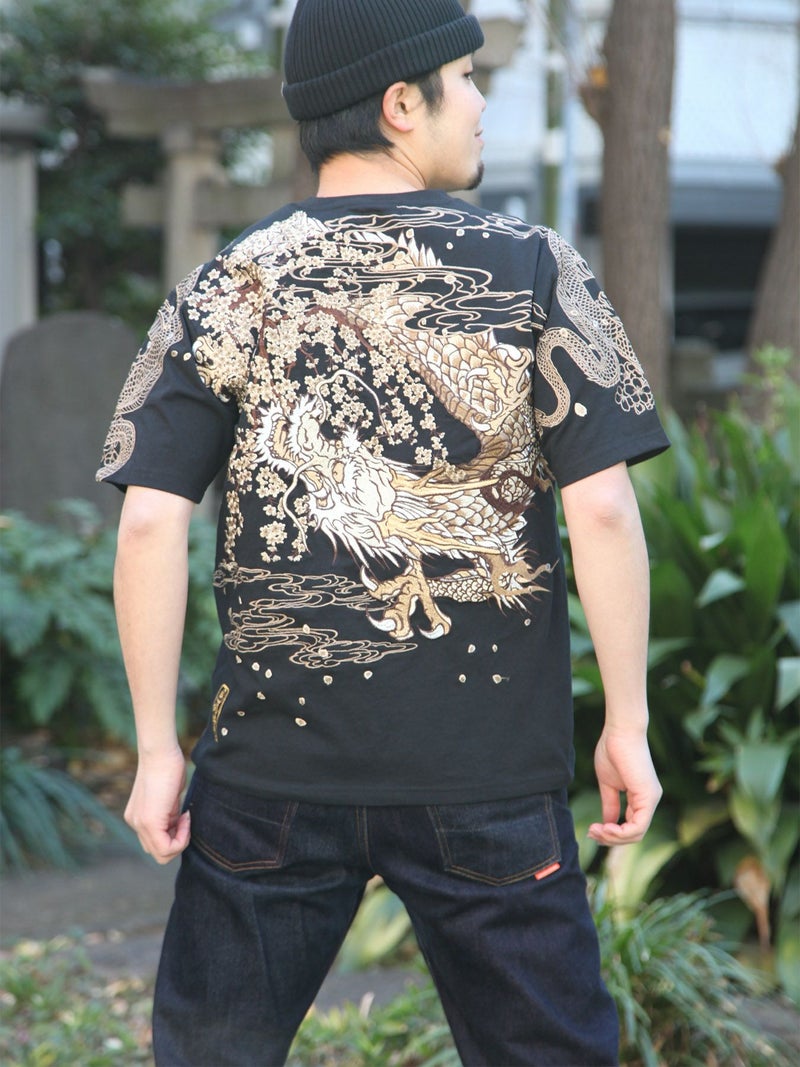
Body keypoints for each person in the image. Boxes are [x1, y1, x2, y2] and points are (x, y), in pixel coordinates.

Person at [99, 1, 670, 1063]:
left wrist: (156, 748)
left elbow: (147, 524)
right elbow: (599, 505)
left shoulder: (228, 281)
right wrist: (627, 722)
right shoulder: (534, 265)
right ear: (403, 103)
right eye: (468, 78)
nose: (482, 101)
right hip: (486, 779)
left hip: (267, 777)